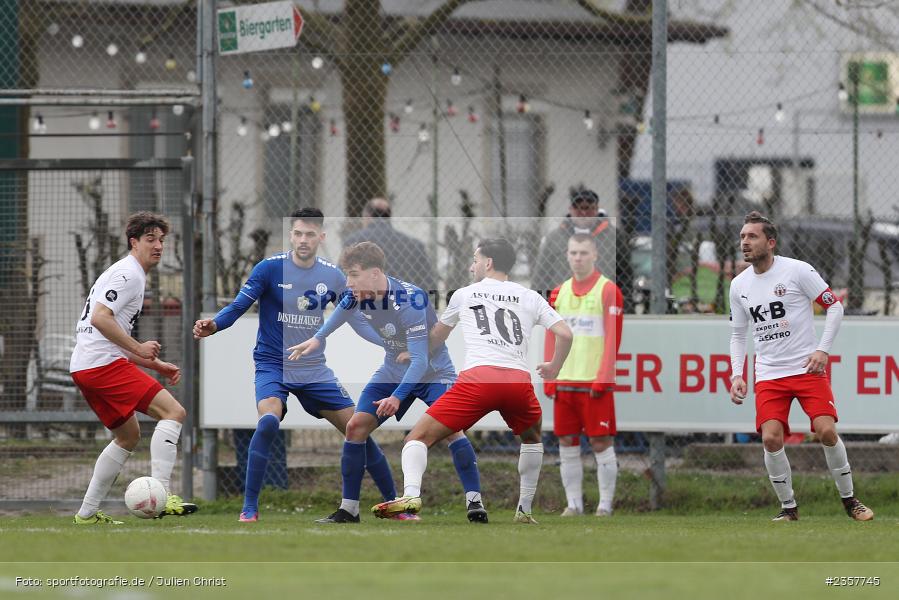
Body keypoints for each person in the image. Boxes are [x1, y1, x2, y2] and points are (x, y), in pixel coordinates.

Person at [193, 208, 396, 522]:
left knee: (357, 429)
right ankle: (249, 508)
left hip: (313, 368)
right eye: (298, 233)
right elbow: (238, 306)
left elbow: (356, 320)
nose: (303, 240)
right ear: (291, 235)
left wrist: (389, 344)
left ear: (321, 237)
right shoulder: (269, 269)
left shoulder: (332, 276)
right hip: (272, 364)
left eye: (310, 235)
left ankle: (395, 504)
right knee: (268, 422)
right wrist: (215, 324)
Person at [371, 238, 573, 524]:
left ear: (488, 263)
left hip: (478, 380)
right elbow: (565, 334)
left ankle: (411, 496)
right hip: (517, 382)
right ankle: (525, 510)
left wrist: (414, 351)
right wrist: (554, 367)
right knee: (532, 439)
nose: (471, 266)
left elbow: (437, 335)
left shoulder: (464, 294)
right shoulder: (531, 296)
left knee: (416, 438)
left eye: (475, 260)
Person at [288, 241, 485, 524]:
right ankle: (349, 509)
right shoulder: (357, 294)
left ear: (375, 273)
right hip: (393, 370)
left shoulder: (409, 299)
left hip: (433, 373)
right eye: (347, 275)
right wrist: (318, 338)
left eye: (353, 274)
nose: (348, 282)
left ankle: (474, 502)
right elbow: (341, 312)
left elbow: (419, 361)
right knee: (355, 427)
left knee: (453, 431)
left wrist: (396, 397)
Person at [729, 211, 873, 522]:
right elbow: (738, 333)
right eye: (742, 237)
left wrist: (822, 350)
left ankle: (850, 501)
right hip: (769, 374)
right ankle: (788, 508)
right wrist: (737, 374)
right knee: (770, 438)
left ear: (771, 242)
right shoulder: (739, 285)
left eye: (752, 236)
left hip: (807, 369)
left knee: (826, 432)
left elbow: (834, 306)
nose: (744, 242)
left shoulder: (797, 270)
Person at [70, 212, 197, 525]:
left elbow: (109, 334)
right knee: (174, 412)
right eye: (150, 239)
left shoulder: (128, 273)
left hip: (87, 366)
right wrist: (140, 349)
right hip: (102, 365)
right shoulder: (129, 274)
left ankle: (86, 514)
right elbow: (101, 319)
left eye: (161, 240)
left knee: (127, 436)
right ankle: (162, 498)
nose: (158, 246)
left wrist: (156, 364)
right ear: (134, 242)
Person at [545, 234, 624, 517]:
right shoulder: (558, 293)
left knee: (600, 442)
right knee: (566, 442)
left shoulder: (608, 290)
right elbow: (551, 336)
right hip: (565, 382)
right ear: (567, 255)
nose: (578, 258)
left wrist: (604, 376)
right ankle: (574, 505)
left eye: (583, 253)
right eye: (573, 253)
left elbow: (613, 338)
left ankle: (605, 505)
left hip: (593, 383)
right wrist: (551, 374)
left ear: (595, 255)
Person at [532, 188, 616, 297]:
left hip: (602, 302)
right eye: (578, 208)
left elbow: (624, 276)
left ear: (596, 209)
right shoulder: (553, 238)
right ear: (570, 209)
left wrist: (623, 302)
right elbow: (540, 278)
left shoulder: (613, 237)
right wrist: (545, 304)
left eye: (588, 208)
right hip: (562, 302)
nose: (583, 213)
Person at [342, 198, 437, 295]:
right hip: (404, 299)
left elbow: (342, 279)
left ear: (367, 216)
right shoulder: (414, 245)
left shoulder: (353, 242)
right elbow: (429, 284)